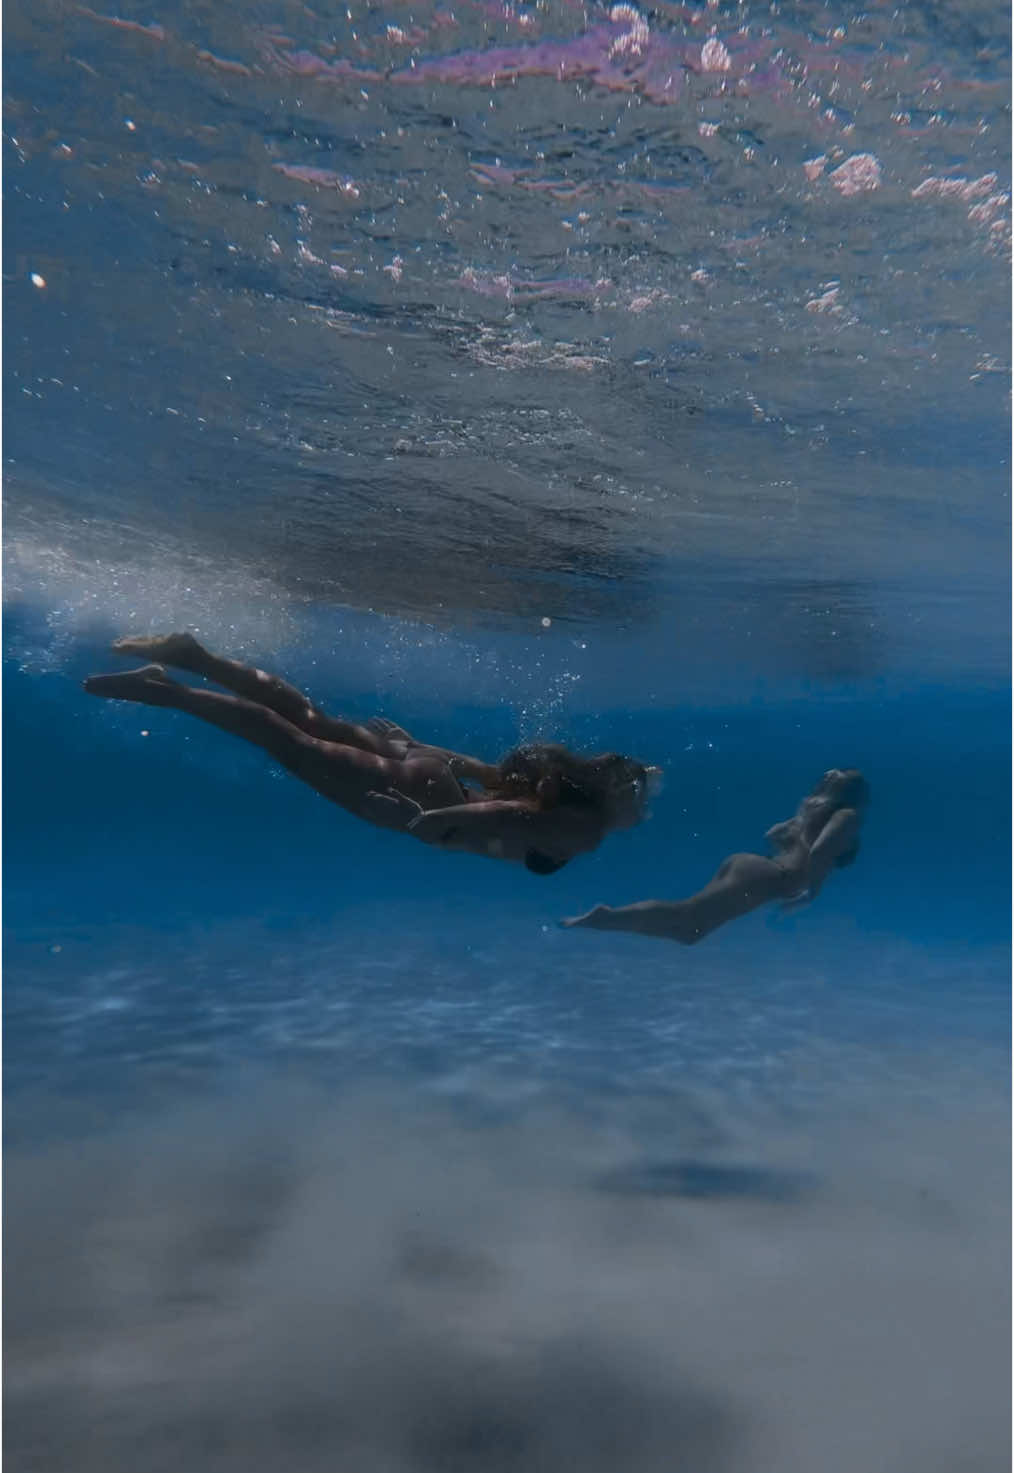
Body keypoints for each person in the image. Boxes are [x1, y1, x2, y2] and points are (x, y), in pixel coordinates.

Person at [83, 633, 656, 874]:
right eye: (639, 797)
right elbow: (500, 812)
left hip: (433, 774)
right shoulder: (586, 830)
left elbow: (489, 778)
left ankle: (196, 658)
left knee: (311, 720)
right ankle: (166, 690)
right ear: (613, 792)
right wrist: (423, 821)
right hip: (426, 800)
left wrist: (418, 747)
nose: (642, 811)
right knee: (292, 743)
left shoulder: (561, 786)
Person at [561, 769, 869, 943]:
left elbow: (773, 834)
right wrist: (811, 892)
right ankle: (606, 917)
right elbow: (820, 851)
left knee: (690, 926)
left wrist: (796, 847)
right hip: (770, 877)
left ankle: (608, 919)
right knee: (689, 923)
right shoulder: (848, 815)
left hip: (756, 868)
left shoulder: (811, 809)